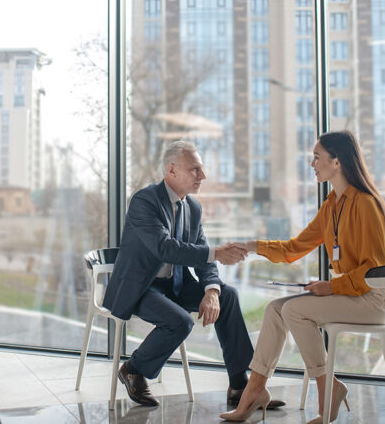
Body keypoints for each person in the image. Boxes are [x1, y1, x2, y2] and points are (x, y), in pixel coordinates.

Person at [219, 130, 385, 423]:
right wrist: (250, 246)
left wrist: (331, 286)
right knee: (275, 309)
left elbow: (373, 270)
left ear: (337, 161)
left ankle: (327, 389)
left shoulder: (365, 204)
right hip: (353, 293)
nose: (312, 164)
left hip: (376, 298)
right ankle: (255, 390)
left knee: (295, 309)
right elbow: (294, 248)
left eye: (317, 157)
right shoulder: (332, 205)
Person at [102, 141, 285, 410]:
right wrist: (217, 253)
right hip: (140, 287)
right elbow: (165, 248)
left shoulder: (193, 208)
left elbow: (202, 253)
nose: (203, 176)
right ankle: (133, 369)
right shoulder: (144, 201)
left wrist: (211, 290)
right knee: (179, 322)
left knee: (229, 296)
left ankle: (240, 386)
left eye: (201, 169)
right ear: (172, 170)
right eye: (195, 169)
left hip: (174, 285)